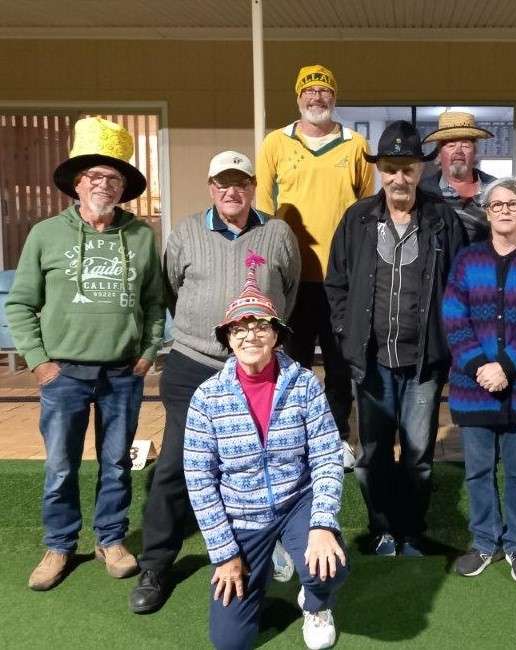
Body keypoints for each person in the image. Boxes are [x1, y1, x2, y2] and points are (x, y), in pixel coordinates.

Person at [129, 151, 300, 614]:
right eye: (223, 183)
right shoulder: (185, 232)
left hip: (258, 367)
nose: (232, 191)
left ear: (252, 186)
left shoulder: (278, 232)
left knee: (266, 458)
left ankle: (273, 547)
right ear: (210, 187)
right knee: (177, 464)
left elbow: (289, 290)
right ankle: (156, 563)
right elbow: (169, 291)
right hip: (193, 365)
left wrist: (260, 346)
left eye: (241, 182)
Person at [6, 116, 165, 590]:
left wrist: (148, 352)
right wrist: (39, 361)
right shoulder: (45, 234)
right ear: (77, 184)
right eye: (95, 176)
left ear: (123, 188)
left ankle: (111, 539)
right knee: (61, 465)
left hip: (123, 372)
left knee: (116, 462)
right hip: (64, 374)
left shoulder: (140, 237)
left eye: (113, 178)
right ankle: (58, 546)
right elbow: (20, 304)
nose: (105, 185)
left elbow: (156, 301)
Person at [184, 253, 346, 650]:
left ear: (276, 335)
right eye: (239, 328)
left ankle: (315, 602)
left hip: (296, 502)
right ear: (227, 338)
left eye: (260, 327)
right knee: (231, 642)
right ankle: (269, 557)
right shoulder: (207, 397)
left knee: (328, 567)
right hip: (243, 515)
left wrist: (322, 524)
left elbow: (327, 456)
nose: (250, 335)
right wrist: (224, 553)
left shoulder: (304, 384)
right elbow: (199, 479)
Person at [326, 121, 465, 556]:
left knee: (419, 455)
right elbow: (337, 284)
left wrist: (450, 341)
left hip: (423, 362)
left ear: (421, 170)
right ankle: (382, 529)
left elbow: (460, 284)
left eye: (407, 169)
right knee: (373, 454)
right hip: (371, 361)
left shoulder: (442, 219)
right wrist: (348, 334)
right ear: (379, 171)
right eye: (390, 169)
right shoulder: (357, 219)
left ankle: (411, 531)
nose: (398, 179)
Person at [443, 178, 516, 583]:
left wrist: (506, 367)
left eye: (512, 203)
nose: (505, 210)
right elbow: (453, 316)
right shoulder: (467, 260)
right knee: (477, 471)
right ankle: (482, 542)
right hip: (474, 386)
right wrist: (480, 365)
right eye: (497, 205)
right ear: (487, 212)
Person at [255, 64, 375, 467]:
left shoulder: (355, 144)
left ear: (334, 98)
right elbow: (264, 210)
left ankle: (339, 435)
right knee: (293, 362)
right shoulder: (275, 143)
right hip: (292, 279)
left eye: (324, 91)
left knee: (340, 364)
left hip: (341, 276)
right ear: (298, 98)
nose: (316, 98)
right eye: (309, 91)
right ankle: (294, 435)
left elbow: (365, 209)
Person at [420, 111, 496, 243]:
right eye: (451, 145)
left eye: (466, 145)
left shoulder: (495, 188)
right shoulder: (423, 192)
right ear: (439, 153)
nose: (458, 151)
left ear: (474, 152)